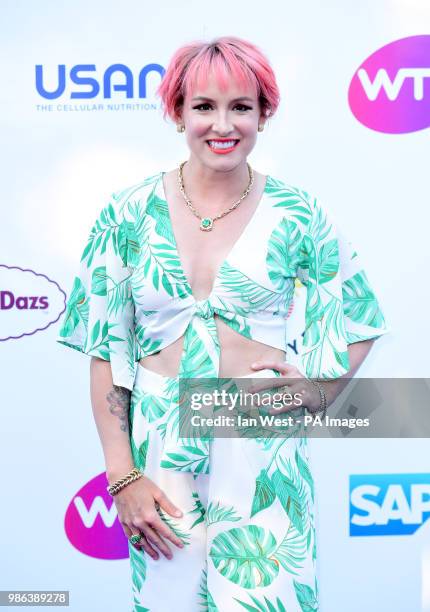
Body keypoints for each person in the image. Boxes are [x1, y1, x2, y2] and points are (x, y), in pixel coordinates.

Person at [56, 36, 389, 612]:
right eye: (204, 106)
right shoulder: (126, 212)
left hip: (261, 437)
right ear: (178, 111)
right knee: (167, 602)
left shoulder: (297, 211)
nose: (222, 124)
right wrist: (121, 476)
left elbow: (360, 318)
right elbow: (104, 349)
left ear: (263, 113)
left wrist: (319, 389)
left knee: (268, 601)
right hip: (160, 441)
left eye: (241, 106)